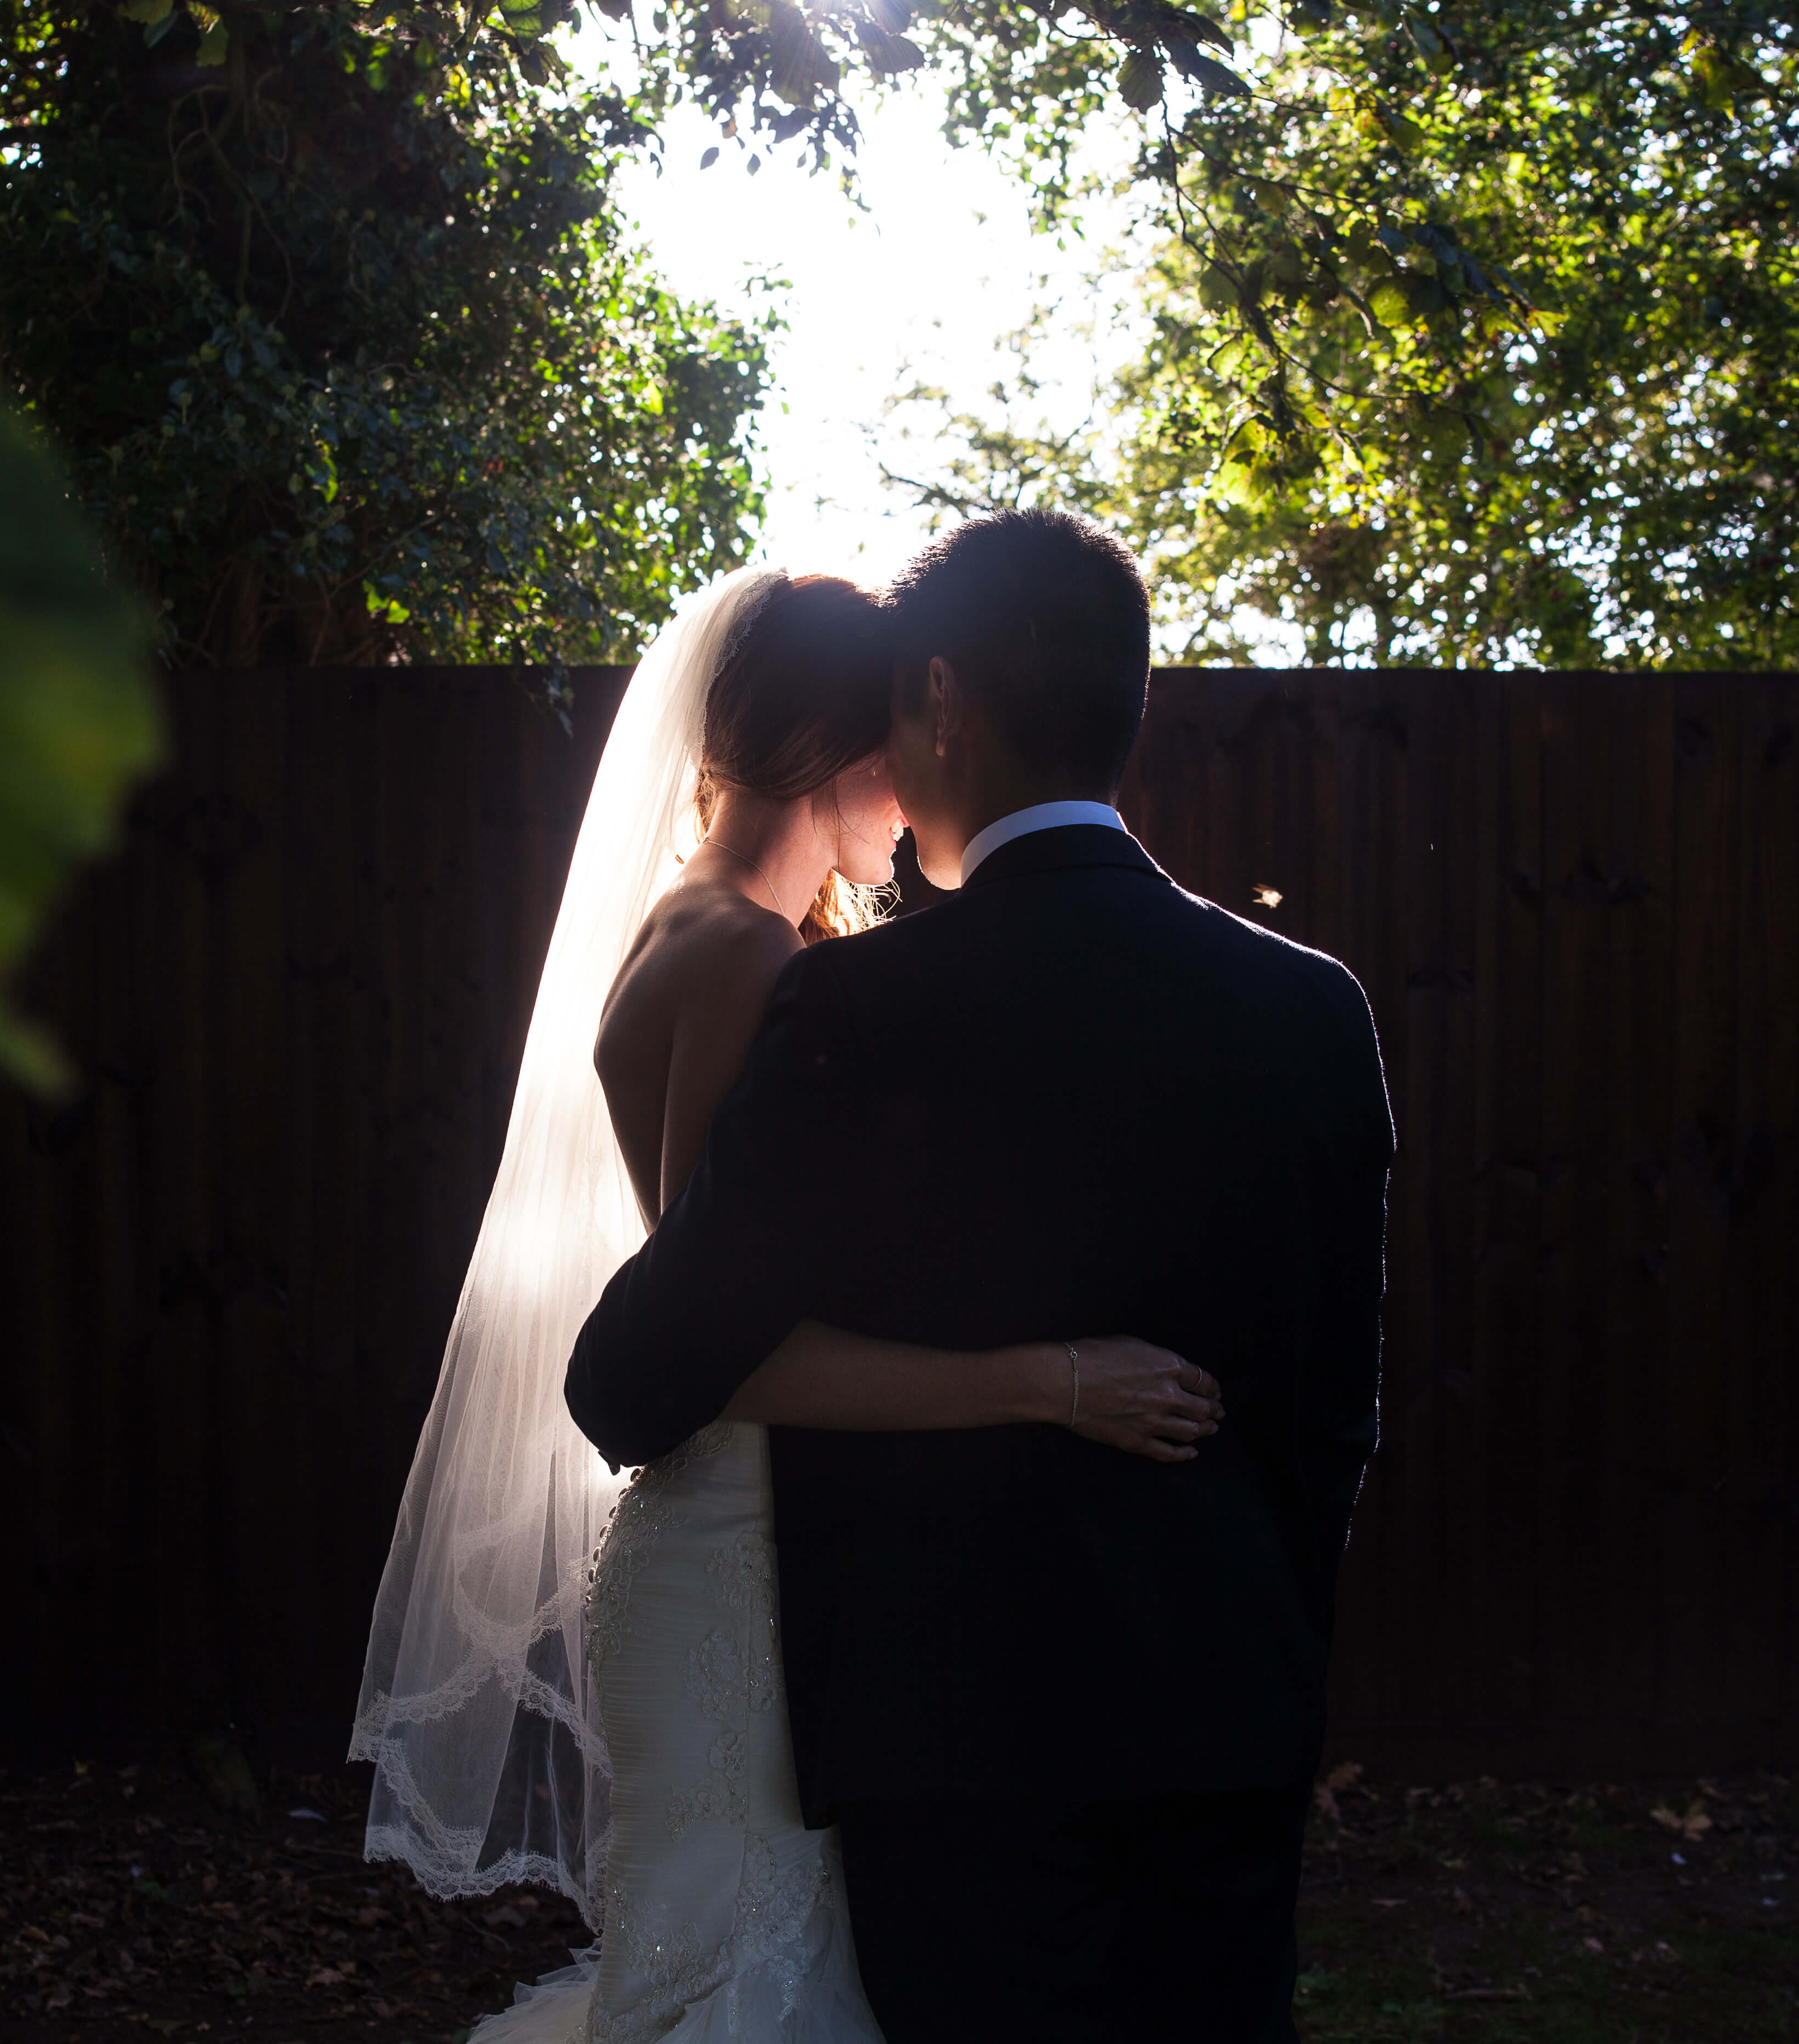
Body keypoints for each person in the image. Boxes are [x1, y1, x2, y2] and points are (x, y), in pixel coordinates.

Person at [352, 563, 1220, 2043]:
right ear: (845, 748)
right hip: (745, 1557)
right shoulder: (746, 954)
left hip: (736, 1543)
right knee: (749, 1981)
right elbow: (726, 1348)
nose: (925, 779)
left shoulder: (706, 930)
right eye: (906, 737)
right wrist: (1052, 1379)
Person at [566, 513, 1394, 2044]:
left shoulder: (857, 1006)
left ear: (940, 700)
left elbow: (637, 1370)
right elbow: (1336, 1418)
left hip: (947, 1743)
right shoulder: (1312, 1010)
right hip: (1224, 1720)